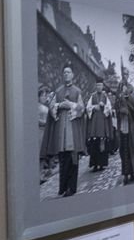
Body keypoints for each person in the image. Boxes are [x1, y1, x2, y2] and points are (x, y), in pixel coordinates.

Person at [45, 65, 86, 197]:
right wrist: (56, 105)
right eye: (64, 73)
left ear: (73, 75)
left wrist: (71, 105)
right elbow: (52, 110)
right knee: (63, 158)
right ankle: (62, 186)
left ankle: (71, 187)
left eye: (68, 72)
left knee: (72, 158)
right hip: (61, 131)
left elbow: (82, 108)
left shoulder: (77, 91)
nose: (66, 74)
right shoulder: (58, 91)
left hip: (72, 130)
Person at [85, 79, 113, 172]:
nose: (99, 87)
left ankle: (101, 164)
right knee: (94, 144)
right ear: (96, 86)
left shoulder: (105, 97)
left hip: (102, 123)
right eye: (97, 86)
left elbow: (109, 109)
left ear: (102, 86)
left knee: (102, 142)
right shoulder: (92, 96)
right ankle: (95, 165)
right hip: (94, 124)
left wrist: (103, 106)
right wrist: (94, 107)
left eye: (100, 85)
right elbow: (88, 108)